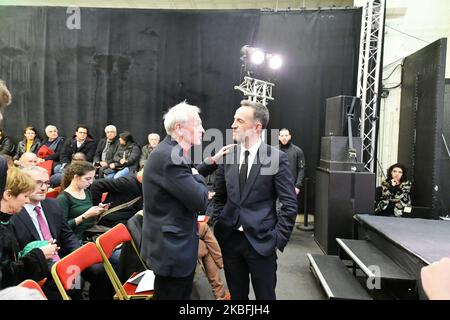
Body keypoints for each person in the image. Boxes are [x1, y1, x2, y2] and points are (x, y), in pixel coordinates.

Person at [212, 100, 298, 300]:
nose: (233, 124)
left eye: (239, 121)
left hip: (262, 242)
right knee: (237, 298)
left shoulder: (275, 158)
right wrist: (218, 222)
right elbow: (220, 197)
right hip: (230, 240)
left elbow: (289, 202)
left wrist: (278, 238)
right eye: (234, 119)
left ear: (257, 127)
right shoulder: (228, 156)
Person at [11, 166, 113, 300]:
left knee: (99, 270)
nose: (43, 188)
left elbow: (67, 235)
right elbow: (18, 255)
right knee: (75, 282)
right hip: (38, 265)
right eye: (38, 183)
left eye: (47, 183)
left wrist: (80, 256)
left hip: (62, 257)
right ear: (23, 184)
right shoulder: (14, 213)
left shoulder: (52, 204)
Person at [141, 101, 208, 300]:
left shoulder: (168, 151)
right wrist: (198, 176)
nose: (203, 130)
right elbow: (200, 201)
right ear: (179, 128)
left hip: (168, 246)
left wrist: (199, 171)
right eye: (197, 124)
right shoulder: (172, 157)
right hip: (172, 250)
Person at [0, 166, 58, 289]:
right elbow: (5, 277)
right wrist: (39, 255)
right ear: (8, 195)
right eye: (25, 196)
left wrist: (31, 249)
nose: (27, 201)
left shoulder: (6, 221)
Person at [56, 161, 108, 241]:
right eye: (87, 179)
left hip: (92, 232)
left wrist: (98, 210)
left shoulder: (86, 191)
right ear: (76, 177)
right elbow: (63, 227)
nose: (91, 182)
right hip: (77, 238)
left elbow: (90, 217)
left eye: (92, 178)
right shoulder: (63, 198)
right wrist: (85, 215)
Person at [277, 128, 305, 195]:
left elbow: (301, 169)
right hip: (277, 187)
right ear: (279, 137)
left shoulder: (298, 151)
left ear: (289, 136)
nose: (284, 138)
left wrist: (297, 186)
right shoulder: (274, 150)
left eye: (286, 135)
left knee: (290, 205)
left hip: (291, 187)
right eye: (282, 136)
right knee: (276, 205)